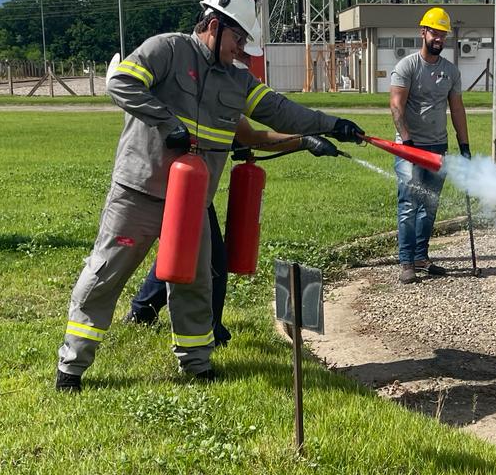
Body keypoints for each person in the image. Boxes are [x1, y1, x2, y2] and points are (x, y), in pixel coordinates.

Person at [55, 0, 364, 391]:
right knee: (106, 273)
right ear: (215, 25)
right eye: (238, 39)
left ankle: (197, 364)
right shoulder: (167, 49)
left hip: (192, 201)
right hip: (139, 192)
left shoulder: (235, 80)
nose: (242, 51)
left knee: (195, 282)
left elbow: (279, 111)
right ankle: (72, 367)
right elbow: (120, 82)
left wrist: (332, 125)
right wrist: (168, 124)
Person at [124, 120, 343, 332]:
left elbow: (249, 136)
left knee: (186, 250)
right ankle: (207, 331)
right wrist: (304, 141)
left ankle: (142, 313)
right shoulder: (204, 91)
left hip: (186, 182)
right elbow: (249, 135)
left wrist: (305, 141)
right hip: (174, 182)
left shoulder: (218, 92)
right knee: (209, 260)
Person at [388, 6, 472, 284]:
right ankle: (406, 261)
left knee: (429, 205)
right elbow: (396, 105)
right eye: (434, 32)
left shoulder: (450, 71)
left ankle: (422, 257)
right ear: (423, 31)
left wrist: (464, 145)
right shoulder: (407, 66)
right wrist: (408, 142)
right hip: (409, 148)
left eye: (443, 34)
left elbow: (457, 109)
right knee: (409, 205)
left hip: (438, 147)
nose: (439, 38)